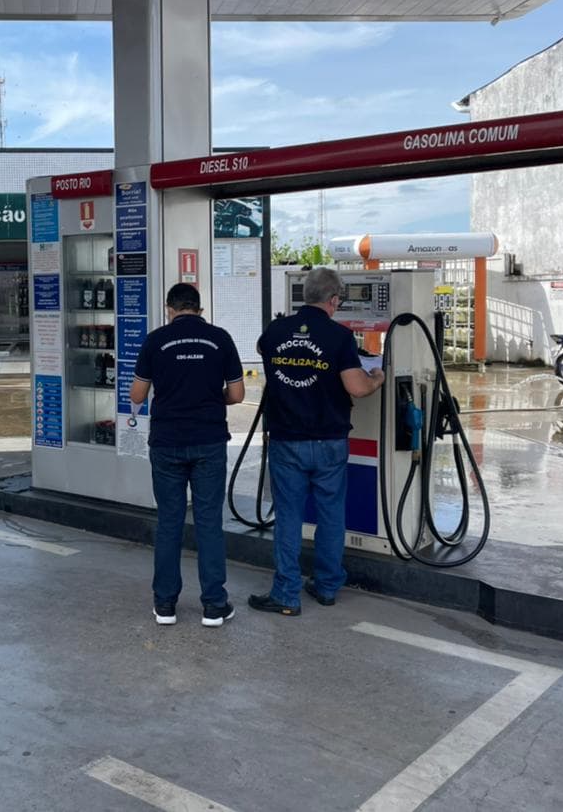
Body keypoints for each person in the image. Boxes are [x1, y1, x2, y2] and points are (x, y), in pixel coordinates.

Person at [249, 267, 385, 616]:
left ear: (304, 295)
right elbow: (357, 388)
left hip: (286, 440)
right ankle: (326, 586)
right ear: (334, 300)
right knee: (330, 514)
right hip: (329, 441)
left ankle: (286, 594)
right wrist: (377, 377)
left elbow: (261, 347)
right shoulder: (339, 337)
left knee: (288, 517)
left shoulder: (276, 330)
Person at [130, 283, 244, 627]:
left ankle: (165, 604)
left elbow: (137, 394)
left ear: (170, 309)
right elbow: (238, 394)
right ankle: (214, 605)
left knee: (169, 522)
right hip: (209, 440)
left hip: (167, 442)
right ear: (199, 308)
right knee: (209, 522)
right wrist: (210, 398)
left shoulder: (155, 340)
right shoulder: (220, 338)